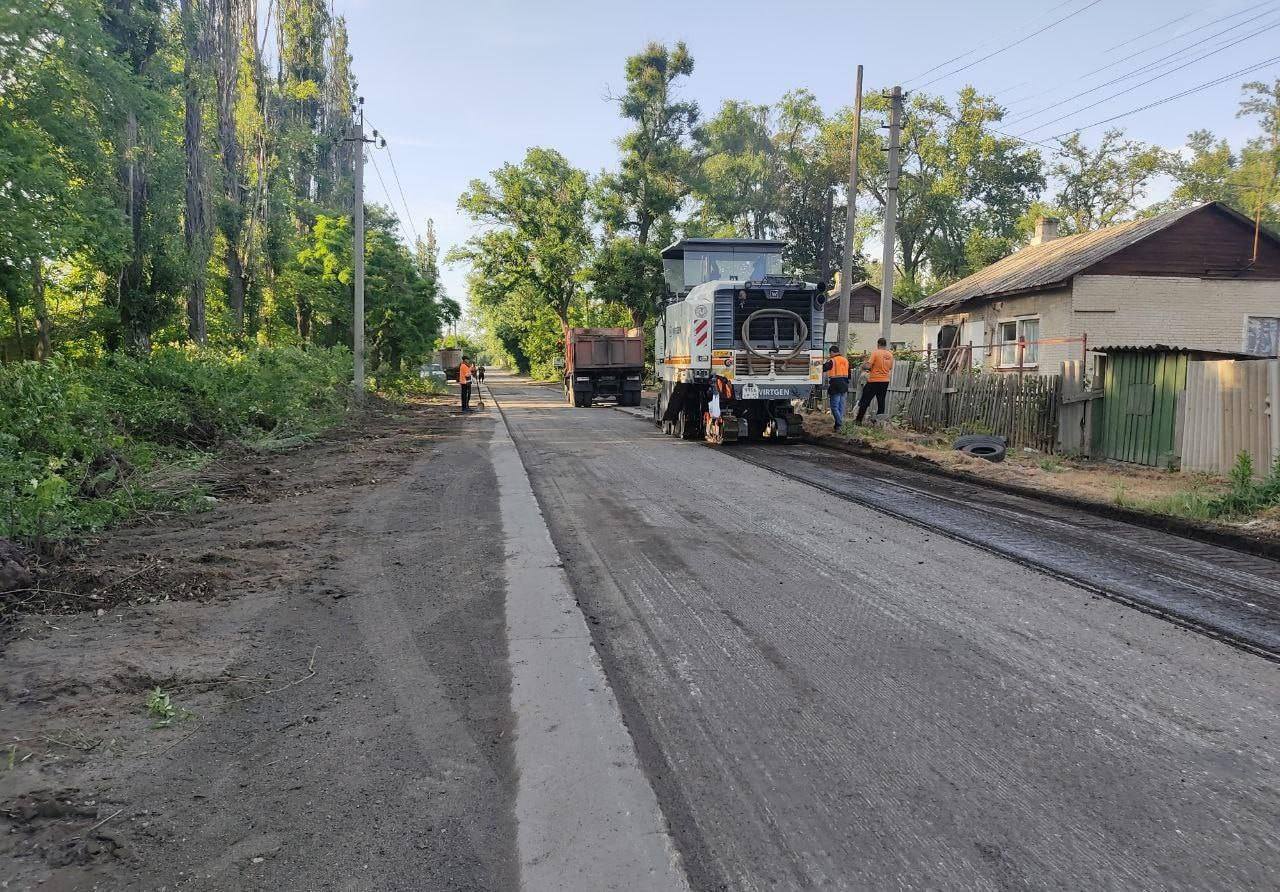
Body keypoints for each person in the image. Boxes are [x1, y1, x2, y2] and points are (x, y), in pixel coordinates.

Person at [855, 338, 894, 424]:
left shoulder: (875, 353)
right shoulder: (890, 355)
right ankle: (879, 422)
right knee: (881, 400)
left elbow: (868, 366)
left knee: (865, 400)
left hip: (874, 380)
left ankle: (858, 420)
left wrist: (863, 364)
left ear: (878, 344)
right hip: (885, 381)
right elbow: (890, 367)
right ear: (885, 345)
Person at [822, 345, 851, 429]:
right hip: (844, 384)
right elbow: (849, 375)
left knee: (834, 406)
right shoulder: (845, 360)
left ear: (832, 352)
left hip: (835, 384)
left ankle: (840, 423)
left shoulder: (832, 360)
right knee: (841, 406)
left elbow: (824, 368)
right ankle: (838, 426)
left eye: (830, 353)